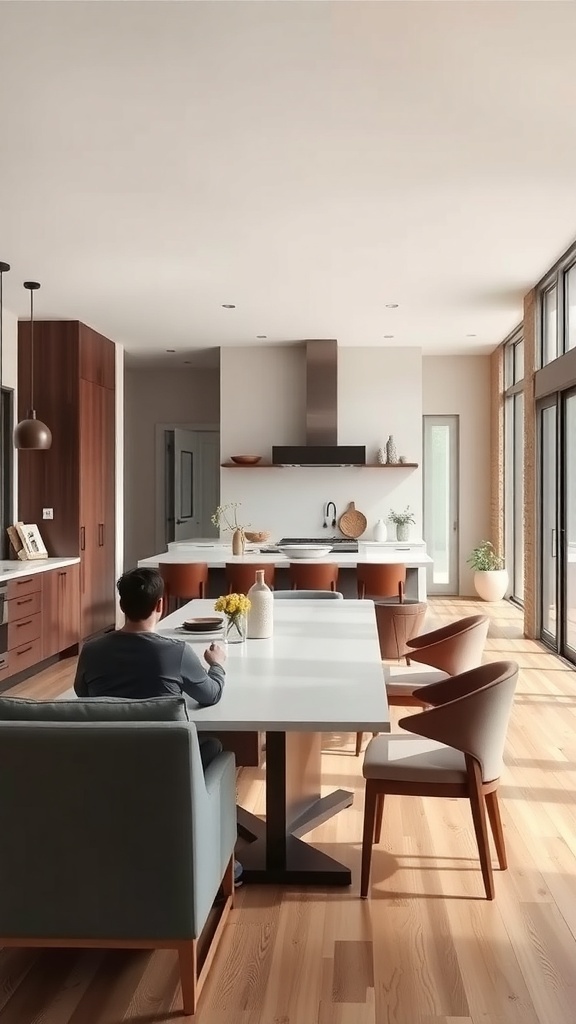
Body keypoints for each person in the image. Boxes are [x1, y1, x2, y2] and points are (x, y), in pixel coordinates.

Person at [74, 566, 243, 884]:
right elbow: (210, 694)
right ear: (160, 605)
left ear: (122, 605)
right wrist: (217, 665)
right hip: (167, 767)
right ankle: (218, 857)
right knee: (214, 747)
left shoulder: (92, 651)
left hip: (107, 763)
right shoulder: (175, 652)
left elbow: (85, 695)